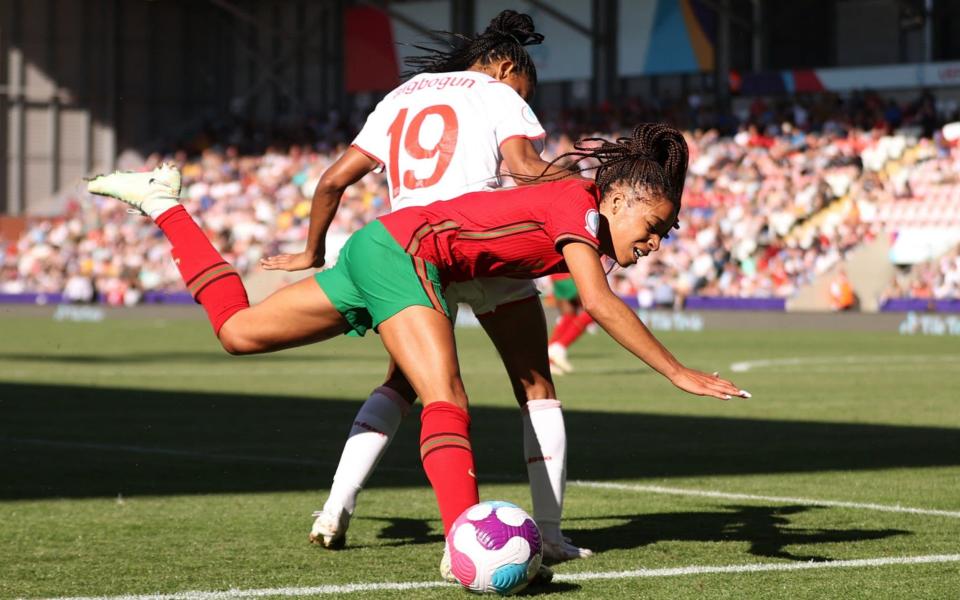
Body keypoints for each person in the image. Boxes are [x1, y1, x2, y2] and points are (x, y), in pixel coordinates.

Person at [86, 123, 750, 579]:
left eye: (666, 233)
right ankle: (466, 539)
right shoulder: (579, 207)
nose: (656, 241)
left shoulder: (577, 208)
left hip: (384, 244)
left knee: (237, 333)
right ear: (619, 196)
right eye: (654, 226)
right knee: (445, 395)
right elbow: (599, 304)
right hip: (405, 253)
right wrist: (677, 372)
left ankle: (165, 205)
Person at [259, 10, 589, 562]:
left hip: (411, 255)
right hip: (479, 244)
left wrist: (311, 251)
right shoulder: (497, 92)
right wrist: (590, 180)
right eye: (525, 91)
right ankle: (550, 537)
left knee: (403, 384)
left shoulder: (402, 94)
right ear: (507, 67)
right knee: (536, 387)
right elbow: (527, 170)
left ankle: (334, 510)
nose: (526, 101)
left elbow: (333, 180)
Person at [546, 273, 594, 374]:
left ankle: (547, 361)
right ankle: (559, 347)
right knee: (595, 309)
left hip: (556, 274)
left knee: (569, 315)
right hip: (571, 274)